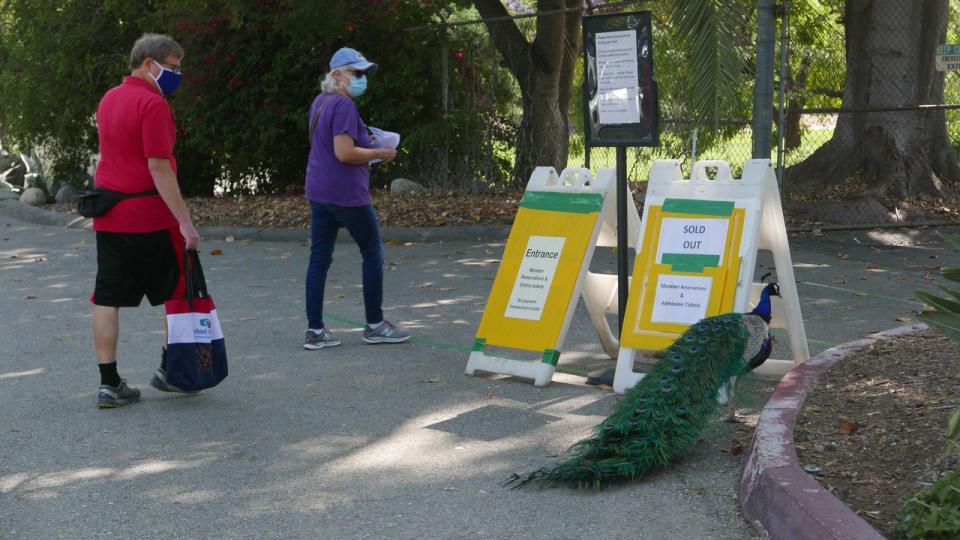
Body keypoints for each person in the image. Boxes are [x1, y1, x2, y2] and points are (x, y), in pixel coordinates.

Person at [90, 33, 201, 408]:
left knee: (107, 297)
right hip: (148, 215)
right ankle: (171, 370)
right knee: (175, 290)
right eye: (172, 67)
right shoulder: (154, 105)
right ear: (148, 63)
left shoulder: (108, 99)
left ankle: (109, 383)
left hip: (108, 215)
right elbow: (158, 167)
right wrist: (184, 221)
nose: (177, 74)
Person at [303, 47, 410, 350]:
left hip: (319, 190)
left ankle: (315, 331)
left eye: (364, 73)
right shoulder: (345, 107)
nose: (362, 78)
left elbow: (331, 144)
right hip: (346, 194)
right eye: (357, 72)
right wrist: (379, 152)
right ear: (338, 75)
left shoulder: (321, 101)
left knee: (319, 259)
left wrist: (368, 141)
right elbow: (344, 152)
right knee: (372, 251)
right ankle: (375, 325)